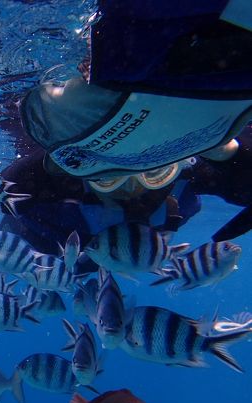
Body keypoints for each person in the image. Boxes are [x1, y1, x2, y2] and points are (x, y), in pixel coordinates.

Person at [14, 0, 252, 243]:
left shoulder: (61, 191)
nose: (131, 186)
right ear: (182, 161)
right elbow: (246, 188)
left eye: (107, 177)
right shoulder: (195, 176)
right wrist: (221, 149)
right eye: (157, 169)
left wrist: (62, 160)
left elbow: (11, 184)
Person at [0, 125, 252, 258]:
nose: (133, 187)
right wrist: (65, 152)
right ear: (87, 169)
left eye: (154, 170)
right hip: (56, 244)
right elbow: (5, 187)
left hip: (134, 254)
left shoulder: (194, 169)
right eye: (111, 174)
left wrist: (224, 151)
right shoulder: (66, 180)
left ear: (180, 163)